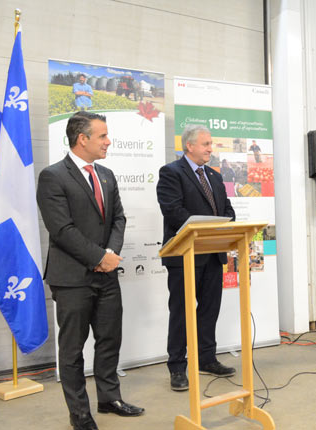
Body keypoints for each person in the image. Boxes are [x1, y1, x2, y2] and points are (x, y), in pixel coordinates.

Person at [37, 112, 144, 430]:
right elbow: (62, 229)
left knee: (110, 339)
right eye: (103, 136)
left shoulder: (107, 175)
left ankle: (109, 398)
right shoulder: (53, 176)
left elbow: (119, 219)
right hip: (71, 278)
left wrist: (109, 255)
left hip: (107, 274)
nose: (108, 141)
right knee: (72, 349)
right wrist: (99, 257)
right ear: (82, 138)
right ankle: (80, 414)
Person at [156, 125, 236, 391]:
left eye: (211, 144)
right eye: (206, 144)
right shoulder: (171, 173)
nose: (210, 149)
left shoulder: (214, 175)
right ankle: (177, 367)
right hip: (185, 255)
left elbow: (227, 209)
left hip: (213, 255)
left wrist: (225, 224)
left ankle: (206, 359)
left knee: (209, 311)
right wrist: (207, 228)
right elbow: (173, 211)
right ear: (189, 146)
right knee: (181, 313)